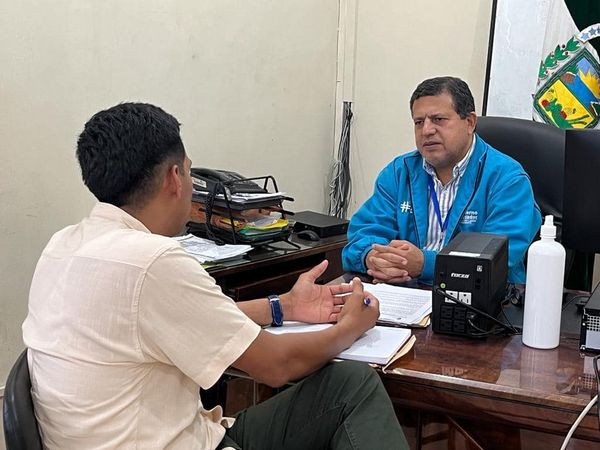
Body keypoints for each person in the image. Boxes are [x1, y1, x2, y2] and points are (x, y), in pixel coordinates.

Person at [22, 103, 408, 449]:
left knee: (346, 386)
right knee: (355, 385)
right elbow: (277, 366)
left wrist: (284, 307)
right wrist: (351, 327)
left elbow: (195, 321)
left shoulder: (64, 244)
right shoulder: (152, 262)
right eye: (190, 172)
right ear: (174, 178)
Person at [342, 76, 541, 285]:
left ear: (470, 122)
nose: (426, 130)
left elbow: (495, 260)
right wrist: (373, 258)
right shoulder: (399, 173)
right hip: (403, 293)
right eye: (419, 122)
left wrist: (425, 265)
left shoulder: (507, 180)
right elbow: (363, 234)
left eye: (438, 119)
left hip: (476, 298)